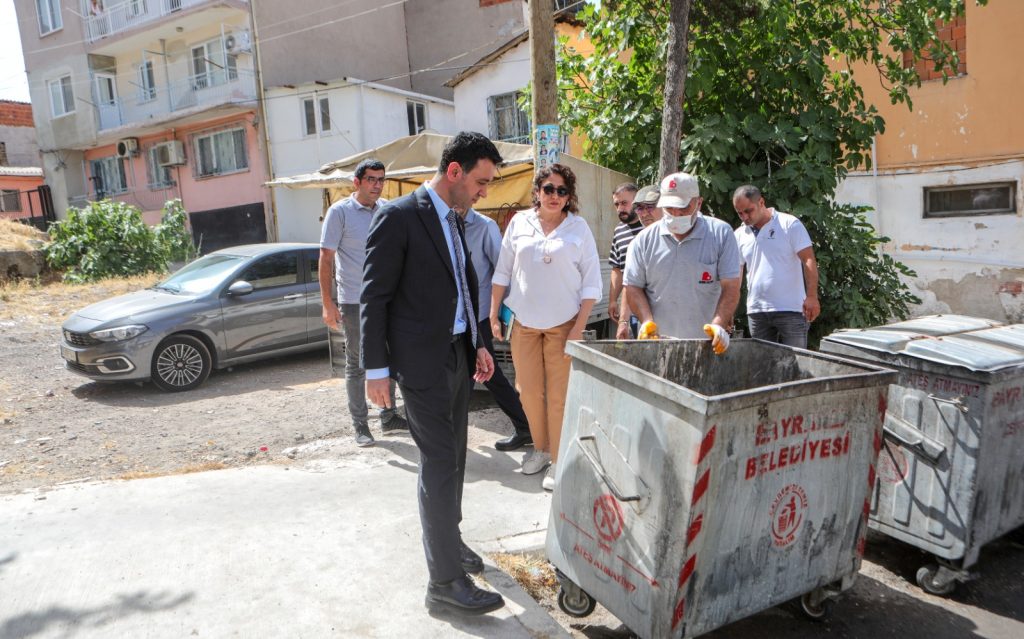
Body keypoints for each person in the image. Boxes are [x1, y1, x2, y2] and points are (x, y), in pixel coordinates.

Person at [361, 132, 504, 616]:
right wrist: (375, 370)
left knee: (456, 459)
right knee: (440, 463)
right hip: (419, 362)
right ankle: (443, 582)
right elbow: (374, 297)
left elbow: (464, 285)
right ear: (455, 172)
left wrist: (477, 343)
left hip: (457, 356)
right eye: (482, 181)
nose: (486, 191)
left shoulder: (458, 220)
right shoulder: (399, 216)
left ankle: (451, 542)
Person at [490, 164, 602, 492]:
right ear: (537, 191)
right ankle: (540, 448)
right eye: (548, 189)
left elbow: (591, 283)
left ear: (570, 197)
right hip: (524, 323)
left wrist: (579, 328)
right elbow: (502, 272)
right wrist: (493, 313)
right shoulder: (520, 224)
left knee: (559, 396)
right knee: (527, 391)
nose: (555, 195)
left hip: (564, 325)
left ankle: (557, 458)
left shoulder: (578, 228)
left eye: (562, 190)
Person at [319, 158, 406, 448]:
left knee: (391, 356)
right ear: (357, 182)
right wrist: (328, 303)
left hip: (389, 299)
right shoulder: (340, 213)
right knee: (357, 364)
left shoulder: (388, 210)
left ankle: (389, 415)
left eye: (381, 180)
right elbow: (326, 258)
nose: (377, 185)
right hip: (355, 301)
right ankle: (360, 424)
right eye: (371, 179)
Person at [624, 172, 741, 352]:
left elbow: (731, 287)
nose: (676, 214)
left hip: (706, 344)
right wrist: (646, 320)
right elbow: (633, 287)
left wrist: (718, 324)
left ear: (698, 203)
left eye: (683, 208)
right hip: (658, 345)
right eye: (669, 208)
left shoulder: (721, 234)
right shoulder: (643, 241)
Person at [457, 205, 533, 452]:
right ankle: (524, 426)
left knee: (477, 371)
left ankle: (453, 437)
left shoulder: (485, 226)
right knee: (483, 372)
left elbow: (504, 273)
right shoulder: (443, 224)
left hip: (478, 316)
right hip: (455, 315)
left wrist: (501, 315)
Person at [732, 184, 820, 348]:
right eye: (740, 213)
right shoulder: (739, 235)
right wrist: (729, 310)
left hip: (791, 309)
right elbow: (735, 276)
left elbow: (808, 260)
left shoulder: (789, 224)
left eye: (748, 211)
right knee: (762, 368)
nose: (744, 217)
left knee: (796, 364)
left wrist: (812, 296)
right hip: (757, 310)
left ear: (761, 202)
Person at [615, 184, 660, 339]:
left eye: (650, 207)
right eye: (640, 208)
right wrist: (623, 322)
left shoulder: (680, 236)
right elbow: (631, 284)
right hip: (643, 321)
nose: (645, 213)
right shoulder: (637, 243)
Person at [607, 183, 638, 328]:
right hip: (629, 307)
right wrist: (613, 300)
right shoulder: (619, 230)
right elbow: (617, 268)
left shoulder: (651, 227)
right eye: (616, 204)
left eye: (624, 203)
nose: (620, 208)